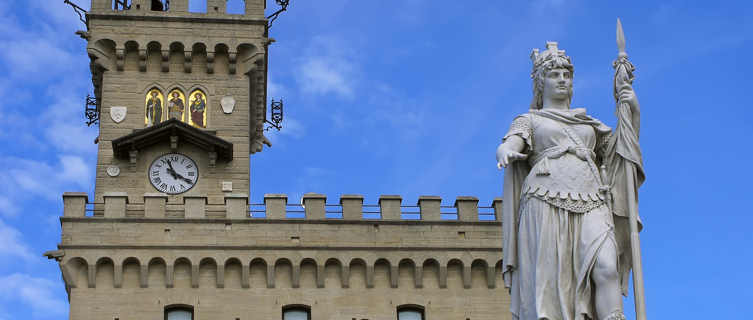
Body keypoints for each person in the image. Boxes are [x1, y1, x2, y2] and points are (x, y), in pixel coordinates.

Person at [496, 42, 640, 320]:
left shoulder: (591, 124)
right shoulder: (529, 120)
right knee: (552, 277)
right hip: (545, 198)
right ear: (540, 83)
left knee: (606, 266)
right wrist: (505, 151)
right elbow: (512, 141)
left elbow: (622, 153)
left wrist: (631, 110)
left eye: (567, 74)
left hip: (592, 198)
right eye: (554, 74)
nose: (562, 79)